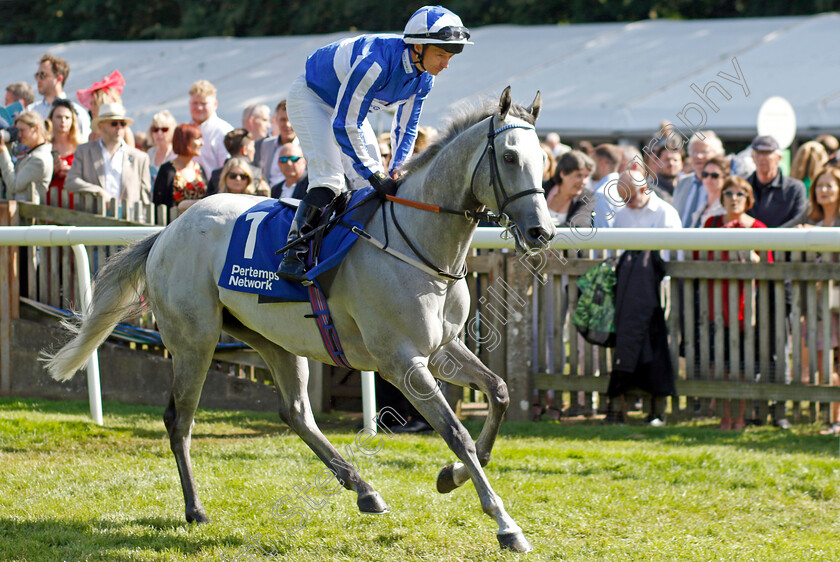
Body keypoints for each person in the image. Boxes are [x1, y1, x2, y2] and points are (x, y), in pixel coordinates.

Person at [276, 5, 473, 282]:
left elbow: (406, 128)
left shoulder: (424, 79)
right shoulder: (376, 63)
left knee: (370, 185)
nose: (446, 64)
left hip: (345, 109)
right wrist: (374, 171)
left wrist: (397, 167)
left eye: (450, 56)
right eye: (441, 54)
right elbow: (344, 124)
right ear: (418, 46)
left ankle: (361, 256)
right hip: (312, 99)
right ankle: (293, 253)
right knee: (329, 179)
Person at [701, 176, 771, 430]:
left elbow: (768, 266)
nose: (733, 198)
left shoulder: (759, 229)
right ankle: (722, 416)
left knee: (742, 366)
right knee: (718, 364)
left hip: (745, 309)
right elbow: (699, 256)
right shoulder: (711, 224)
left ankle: (739, 417)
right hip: (716, 306)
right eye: (728, 193)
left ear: (749, 199)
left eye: (740, 194)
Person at [796, 165, 840, 434]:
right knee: (826, 364)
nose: (823, 190)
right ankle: (835, 419)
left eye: (829, 186)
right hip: (820, 305)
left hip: (837, 301)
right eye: (819, 186)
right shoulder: (810, 222)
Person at [65, 103, 151, 215]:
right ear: (100, 126)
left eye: (123, 124)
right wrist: (98, 191)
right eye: (114, 123)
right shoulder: (84, 151)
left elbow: (145, 198)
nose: (119, 127)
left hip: (129, 222)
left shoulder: (140, 158)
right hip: (94, 220)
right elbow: (71, 181)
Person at [746, 135, 808, 228]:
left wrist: (773, 237)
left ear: (779, 157)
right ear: (752, 157)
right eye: (758, 153)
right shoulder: (743, 186)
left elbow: (798, 220)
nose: (762, 157)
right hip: (748, 241)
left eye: (767, 153)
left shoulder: (794, 188)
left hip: (785, 241)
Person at [29, 54, 91, 141]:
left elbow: (84, 144)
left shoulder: (78, 112)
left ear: (59, 79)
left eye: (43, 75)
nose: (38, 80)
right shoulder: (31, 110)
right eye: (37, 75)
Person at [672, 130, 725, 227]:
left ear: (717, 155)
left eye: (704, 152)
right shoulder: (682, 182)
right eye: (694, 152)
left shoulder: (722, 183)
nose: (698, 156)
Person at [0, 110, 53, 203]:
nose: (19, 135)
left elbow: (13, 185)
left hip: (27, 213)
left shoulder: (39, 159)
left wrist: (3, 153)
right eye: (17, 130)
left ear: (36, 128)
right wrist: (7, 148)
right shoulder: (34, 152)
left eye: (22, 130)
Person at [153, 123, 207, 211]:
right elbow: (159, 204)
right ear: (185, 141)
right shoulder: (167, 170)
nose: (202, 143)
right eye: (197, 139)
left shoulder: (199, 168)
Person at [76, 69, 136, 147]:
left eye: (95, 104)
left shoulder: (124, 131)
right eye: (91, 104)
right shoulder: (93, 135)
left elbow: (133, 157)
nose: (91, 108)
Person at [189, 80, 233, 177]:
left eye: (203, 103)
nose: (199, 107)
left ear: (215, 104)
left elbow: (228, 168)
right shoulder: (184, 130)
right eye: (195, 103)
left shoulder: (223, 131)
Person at [47, 99, 82, 207]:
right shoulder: (45, 146)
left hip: (74, 200)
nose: (63, 121)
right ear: (51, 120)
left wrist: (72, 172)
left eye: (67, 118)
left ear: (73, 121)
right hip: (50, 199)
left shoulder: (80, 146)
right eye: (58, 117)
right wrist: (51, 171)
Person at [207, 128, 262, 193]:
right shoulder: (256, 173)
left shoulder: (216, 174)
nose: (238, 179)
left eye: (242, 177)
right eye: (252, 146)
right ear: (244, 150)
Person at [257, 100, 298, 186]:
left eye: (291, 119)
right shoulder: (267, 144)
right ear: (276, 120)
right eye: (283, 119)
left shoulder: (306, 146)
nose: (287, 124)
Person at [587, 143, 622, 228]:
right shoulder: (622, 185)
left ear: (602, 164)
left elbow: (602, 234)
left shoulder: (602, 193)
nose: (590, 168)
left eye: (592, 163)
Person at [689, 155, 729, 228]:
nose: (708, 178)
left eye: (714, 175)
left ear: (725, 178)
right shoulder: (702, 205)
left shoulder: (726, 208)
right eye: (705, 174)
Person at [146, 110, 177, 184]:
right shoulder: (150, 153)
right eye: (155, 129)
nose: (159, 133)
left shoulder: (176, 154)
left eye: (164, 129)